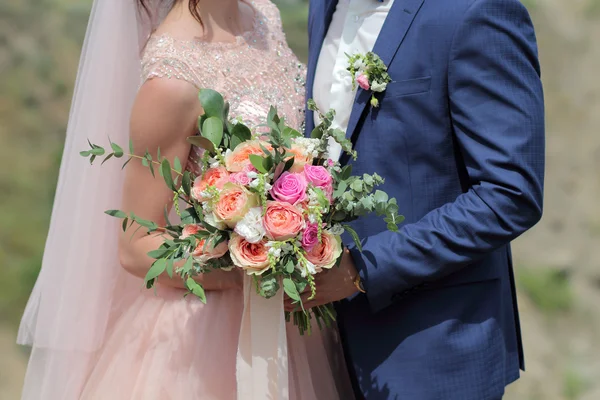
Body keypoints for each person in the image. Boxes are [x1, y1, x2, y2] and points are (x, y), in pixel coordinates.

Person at [17, 0, 353, 399]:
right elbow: (135, 248)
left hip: (293, 327)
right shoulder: (172, 78)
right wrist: (254, 269)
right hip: (207, 339)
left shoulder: (263, 14)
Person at [299, 0, 545, 399]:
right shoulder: (323, 7)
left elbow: (510, 195)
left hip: (432, 350)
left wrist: (363, 269)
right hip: (324, 350)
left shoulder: (477, 11)